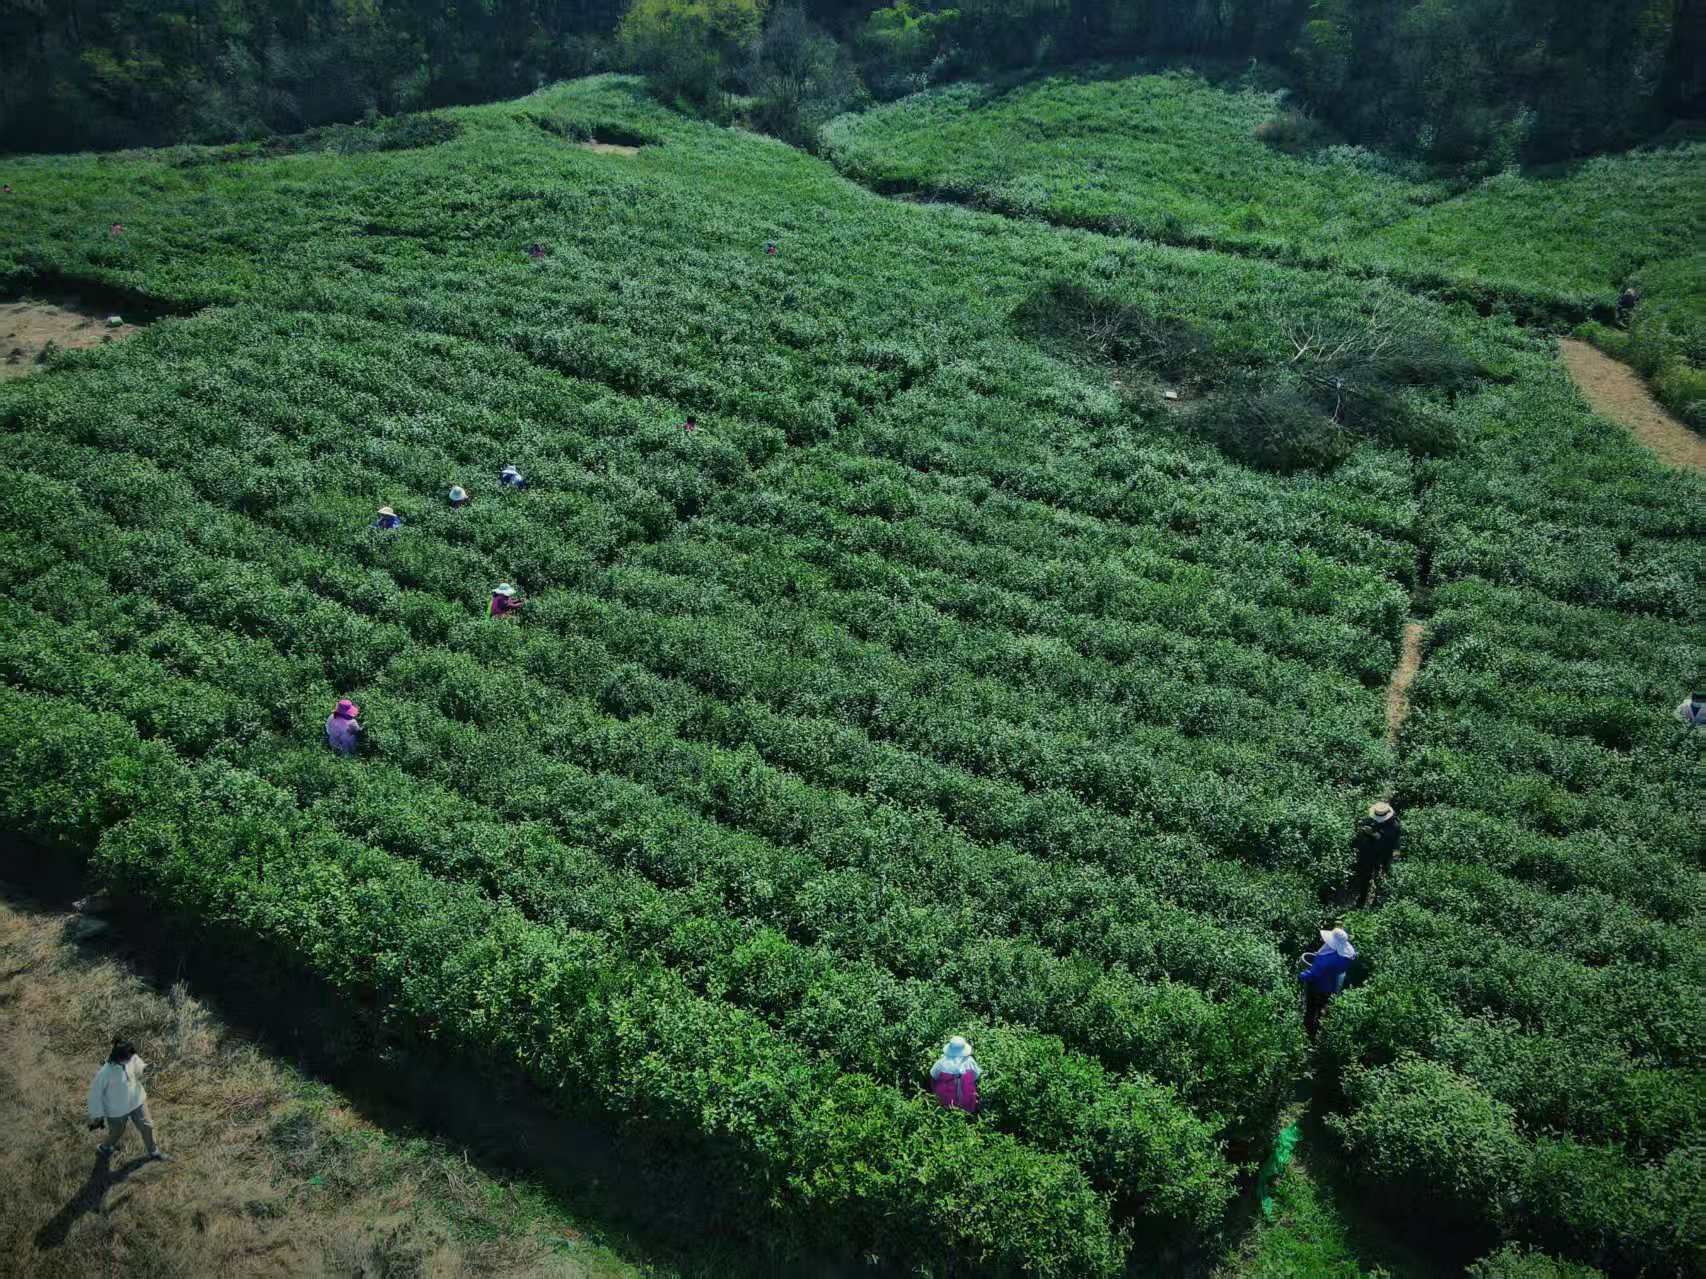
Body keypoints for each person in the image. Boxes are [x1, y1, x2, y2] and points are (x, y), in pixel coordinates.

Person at [88, 1040, 166, 1161]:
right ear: (117, 1057)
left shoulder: (131, 1057)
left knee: (147, 1126)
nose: (130, 1059)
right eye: (127, 1058)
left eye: (131, 1057)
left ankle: (154, 1152)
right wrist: (97, 1115)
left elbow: (139, 1067)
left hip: (137, 1101)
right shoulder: (105, 1073)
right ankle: (104, 1148)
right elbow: (95, 1094)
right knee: (117, 1132)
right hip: (116, 1109)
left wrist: (146, 1069)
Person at [1299, 926, 1356, 1038]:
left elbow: (1314, 974)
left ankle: (1309, 1034)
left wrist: (1301, 975)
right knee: (1322, 1008)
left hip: (1317, 986)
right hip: (1332, 986)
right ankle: (1320, 1031)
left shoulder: (1325, 960)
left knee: (1311, 1009)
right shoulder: (1344, 957)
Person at [1349, 801, 1402, 908]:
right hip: (1369, 852)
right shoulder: (1371, 820)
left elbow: (1393, 843)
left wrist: (1374, 834)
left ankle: (1378, 900)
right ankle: (1361, 900)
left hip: (1384, 854)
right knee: (1365, 876)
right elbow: (1364, 824)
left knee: (1382, 874)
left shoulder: (1393, 826)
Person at [929, 1036, 982, 1114]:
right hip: (967, 1098)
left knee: (947, 1113)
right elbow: (976, 1076)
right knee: (966, 1114)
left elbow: (933, 1077)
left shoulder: (941, 1062)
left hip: (945, 1098)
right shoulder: (970, 1061)